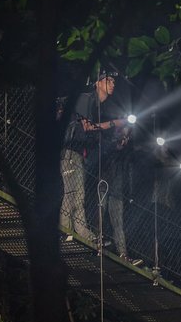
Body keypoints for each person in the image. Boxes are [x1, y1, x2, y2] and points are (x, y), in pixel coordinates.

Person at [60, 72, 141, 265]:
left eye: (114, 81)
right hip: (69, 151)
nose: (112, 84)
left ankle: (78, 232)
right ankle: (69, 230)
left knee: (77, 194)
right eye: (108, 80)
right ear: (98, 81)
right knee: (74, 193)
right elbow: (87, 127)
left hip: (77, 152)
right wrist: (115, 123)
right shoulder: (86, 98)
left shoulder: (96, 105)